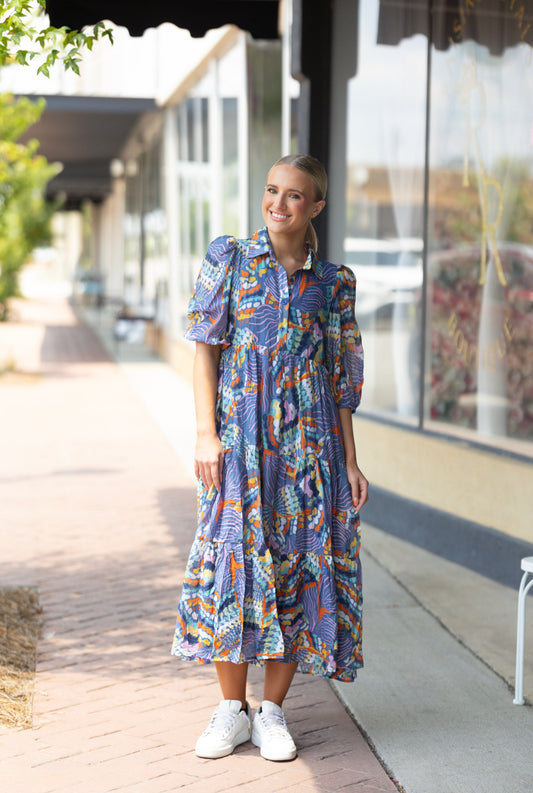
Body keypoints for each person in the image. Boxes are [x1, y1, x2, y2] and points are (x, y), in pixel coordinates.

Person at [171, 153, 368, 762]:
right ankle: (231, 710)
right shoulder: (229, 258)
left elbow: (340, 381)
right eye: (271, 191)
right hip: (241, 444)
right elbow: (205, 349)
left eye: (293, 196)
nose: (278, 205)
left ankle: (273, 712)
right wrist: (206, 434)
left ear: (315, 207)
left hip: (310, 451)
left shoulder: (333, 285)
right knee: (233, 558)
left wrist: (352, 463)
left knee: (299, 569)